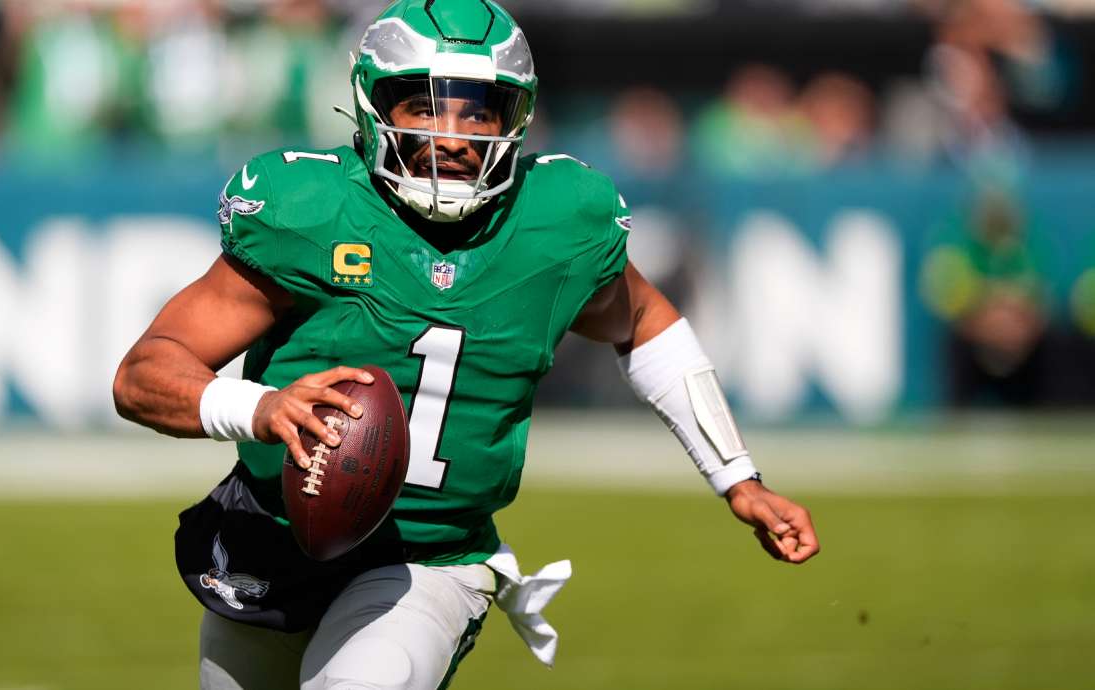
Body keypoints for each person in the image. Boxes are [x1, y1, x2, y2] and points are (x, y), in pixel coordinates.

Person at [112, 2, 820, 688]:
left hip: (430, 559)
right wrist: (260, 408)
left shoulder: (557, 221)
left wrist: (737, 475)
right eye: (424, 106)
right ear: (372, 105)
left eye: (479, 111)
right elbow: (143, 375)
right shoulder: (308, 209)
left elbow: (644, 323)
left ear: (517, 117)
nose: (453, 136)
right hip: (273, 534)